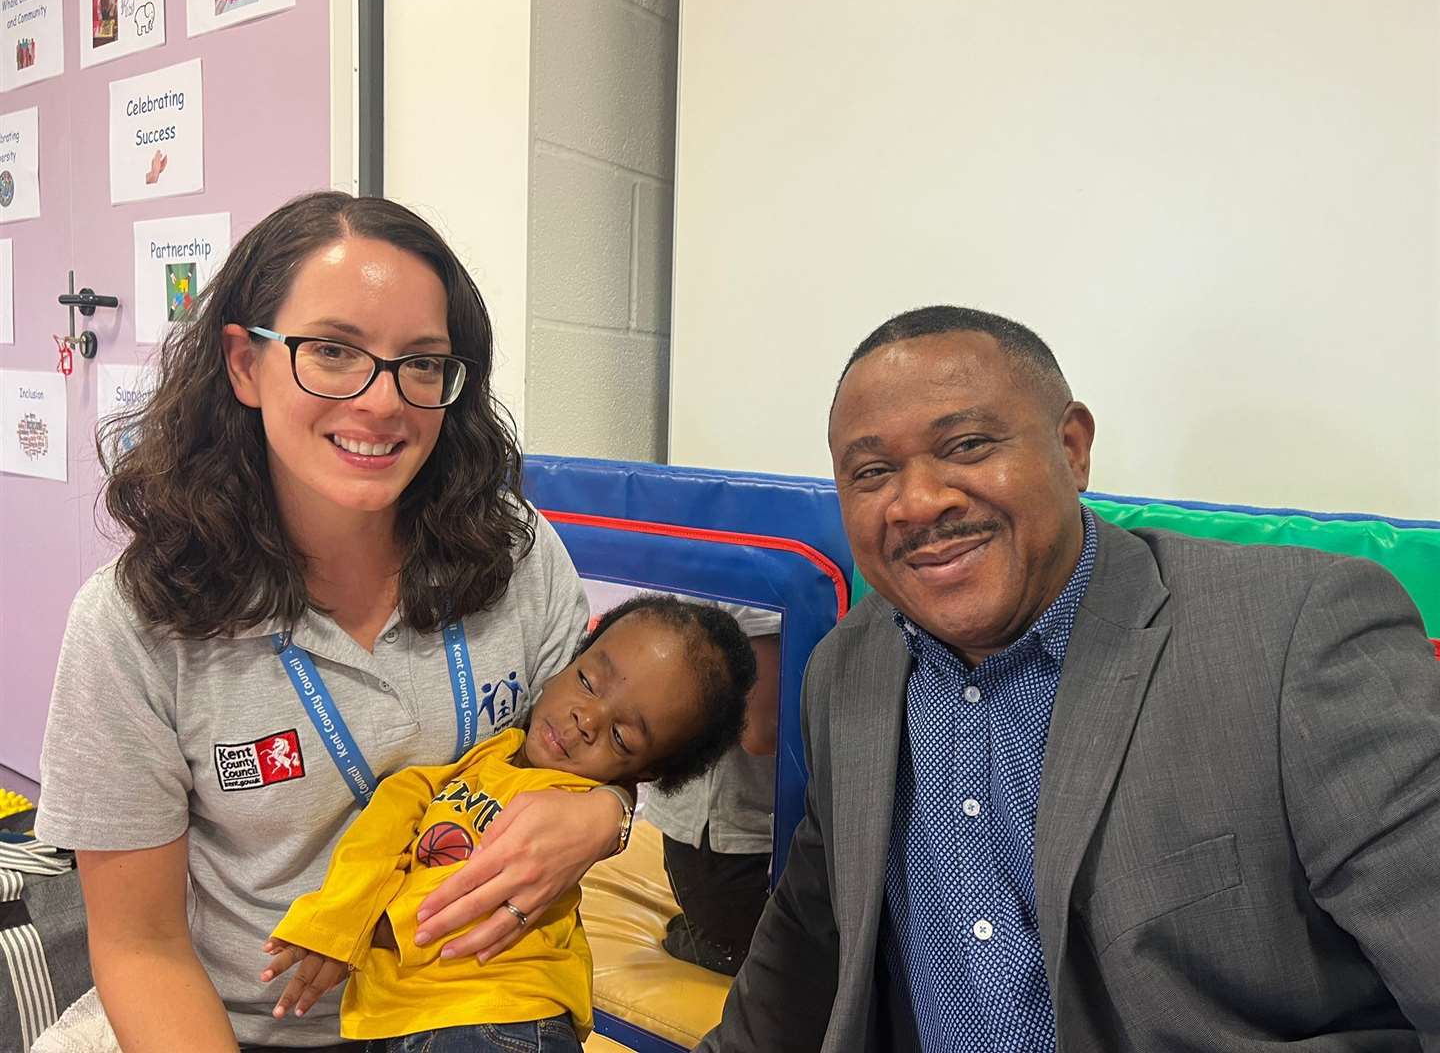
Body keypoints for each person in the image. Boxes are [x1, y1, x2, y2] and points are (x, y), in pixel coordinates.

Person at [700, 305, 1440, 1052]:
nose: (918, 502)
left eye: (966, 445)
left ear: (1072, 447)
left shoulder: (1292, 634)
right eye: (872, 472)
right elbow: (807, 938)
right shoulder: (845, 670)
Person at [35, 192, 635, 1051]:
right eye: (332, 351)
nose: (382, 402)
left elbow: (607, 750)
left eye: (421, 363)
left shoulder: (517, 552)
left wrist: (606, 816)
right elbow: (140, 945)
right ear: (244, 364)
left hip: (479, 1009)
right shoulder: (135, 623)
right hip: (247, 1027)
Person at [258, 595, 757, 1052]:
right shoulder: (499, 755)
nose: (586, 717)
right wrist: (339, 914)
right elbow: (402, 799)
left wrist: (362, 932)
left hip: (499, 1020)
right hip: (418, 1016)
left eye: (623, 736)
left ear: (645, 772)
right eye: (586, 680)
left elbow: (470, 899)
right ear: (569, 660)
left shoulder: (564, 800)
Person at [646, 603, 780, 976]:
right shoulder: (757, 590)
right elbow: (761, 733)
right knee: (742, 951)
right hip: (730, 844)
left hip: (717, 831)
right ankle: (712, 937)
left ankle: (708, 931)